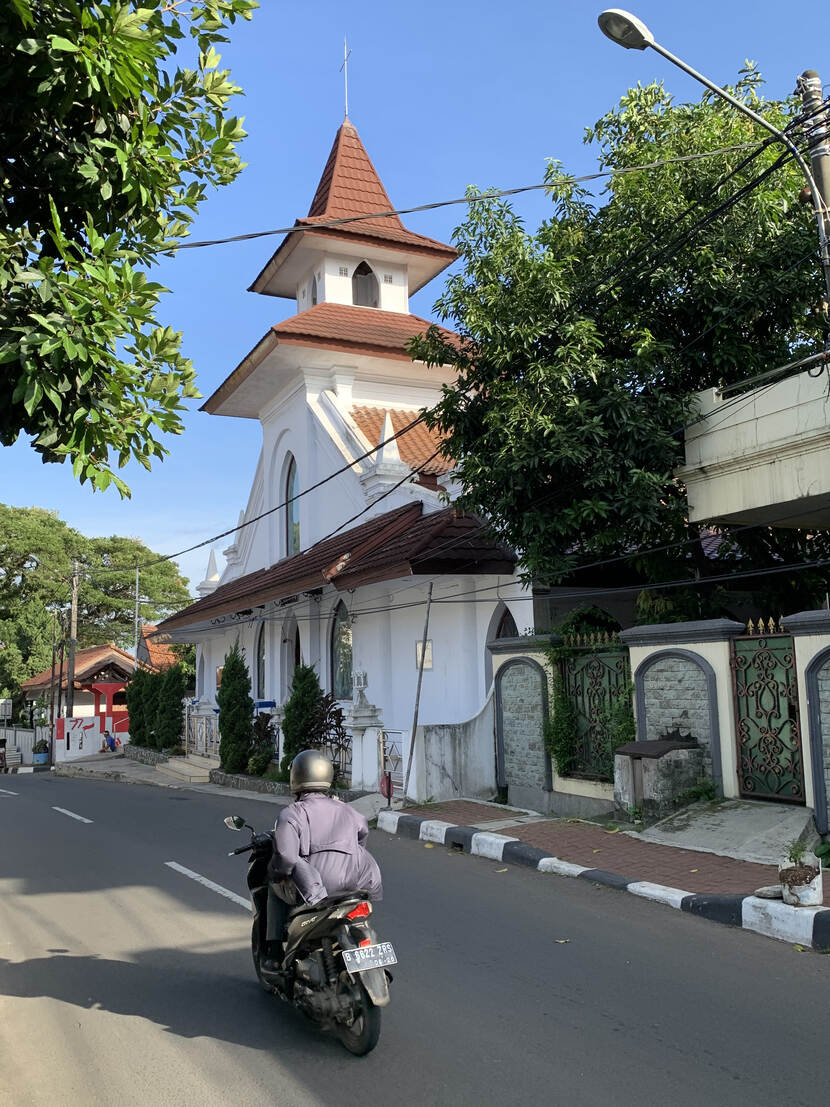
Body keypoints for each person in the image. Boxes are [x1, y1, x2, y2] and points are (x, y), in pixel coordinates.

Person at [265, 749, 382, 956]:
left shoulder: (293, 813)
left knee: (272, 888)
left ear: (297, 777)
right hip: (354, 885)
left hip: (316, 891)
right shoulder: (348, 810)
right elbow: (362, 835)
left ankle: (273, 952)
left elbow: (286, 857)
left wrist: (277, 875)